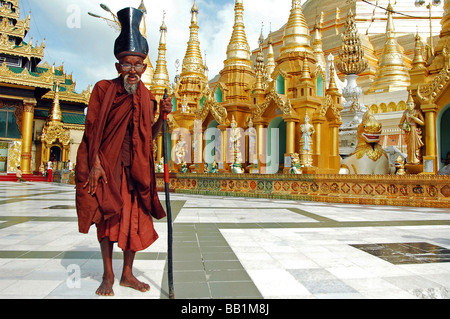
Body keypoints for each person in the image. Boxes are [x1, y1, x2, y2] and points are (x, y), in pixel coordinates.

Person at [75, 7, 172, 297]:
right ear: (118, 66)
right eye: (127, 64)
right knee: (107, 219)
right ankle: (108, 275)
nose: (133, 70)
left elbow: (147, 137)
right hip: (107, 166)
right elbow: (92, 131)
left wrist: (162, 118)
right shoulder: (103, 90)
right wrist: (94, 164)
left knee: (134, 219)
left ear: (145, 67)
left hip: (136, 169)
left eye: (138, 65)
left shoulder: (147, 97)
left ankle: (127, 274)